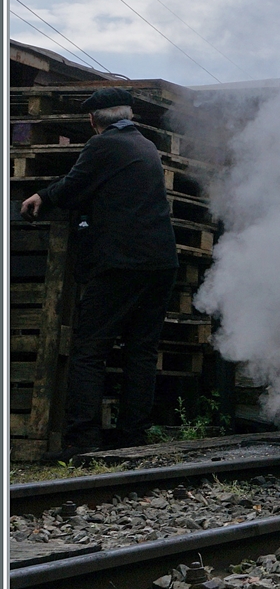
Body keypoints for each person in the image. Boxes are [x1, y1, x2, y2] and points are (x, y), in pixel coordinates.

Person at [21, 87, 178, 459]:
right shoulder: (145, 146)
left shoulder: (104, 146)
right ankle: (132, 439)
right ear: (128, 115)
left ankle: (83, 441)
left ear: (94, 120)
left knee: (90, 349)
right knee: (140, 351)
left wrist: (42, 195)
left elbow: (76, 186)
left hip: (122, 263)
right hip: (161, 262)